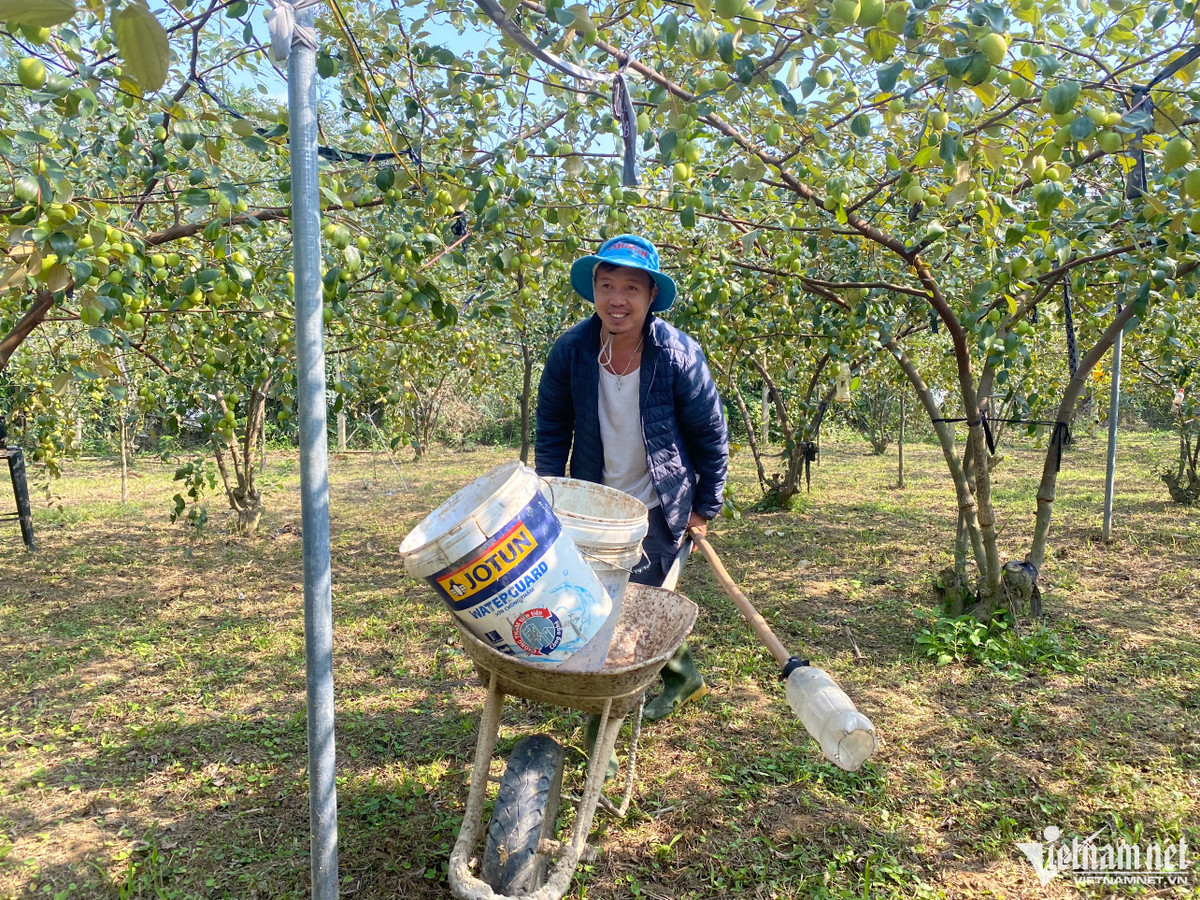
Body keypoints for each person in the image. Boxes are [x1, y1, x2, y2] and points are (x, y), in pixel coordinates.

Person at [535, 234, 728, 721]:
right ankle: (682, 676)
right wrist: (547, 497)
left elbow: (711, 437)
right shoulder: (572, 352)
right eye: (606, 286)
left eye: (631, 288)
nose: (616, 299)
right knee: (601, 605)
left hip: (661, 504)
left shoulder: (678, 355)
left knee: (628, 616)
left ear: (649, 297)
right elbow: (553, 429)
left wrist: (705, 508)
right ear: (593, 291)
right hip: (596, 506)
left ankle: (605, 725)